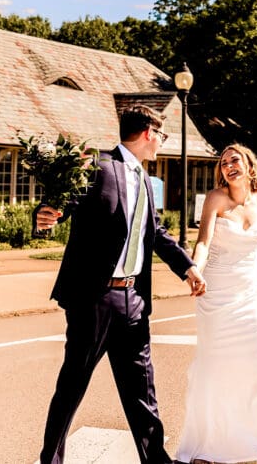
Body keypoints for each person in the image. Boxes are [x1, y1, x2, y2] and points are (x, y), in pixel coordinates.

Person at [36, 105, 207, 464]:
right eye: (161, 136)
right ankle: (50, 461)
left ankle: (156, 460)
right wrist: (48, 213)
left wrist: (188, 267)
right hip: (94, 299)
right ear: (148, 133)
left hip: (134, 299)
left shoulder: (144, 179)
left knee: (142, 389)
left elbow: (155, 233)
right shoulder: (98, 166)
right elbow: (63, 202)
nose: (162, 142)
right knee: (72, 386)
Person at [175, 143, 257, 464]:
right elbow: (204, 241)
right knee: (214, 367)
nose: (228, 166)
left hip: (250, 295)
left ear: (250, 165)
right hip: (217, 294)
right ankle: (207, 448)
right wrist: (195, 269)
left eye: (234, 160)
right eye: (223, 163)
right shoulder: (215, 199)